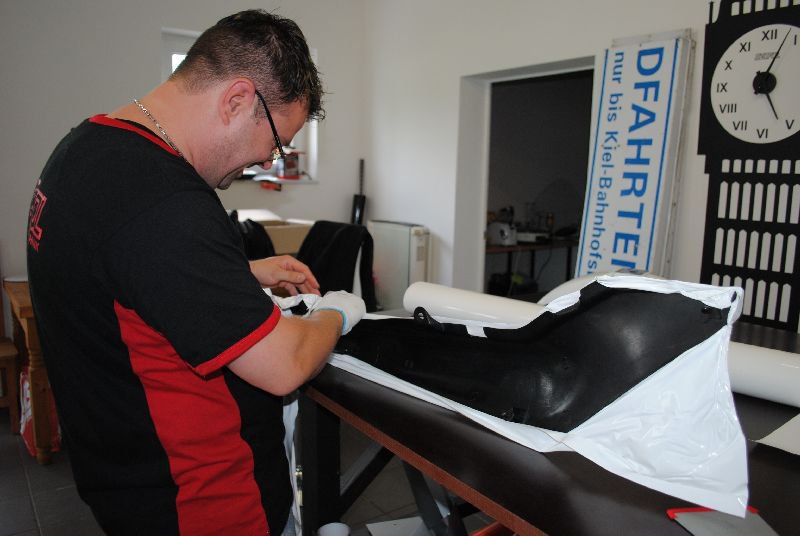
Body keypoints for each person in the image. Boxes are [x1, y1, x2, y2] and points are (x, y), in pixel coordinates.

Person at [26, 10, 365, 536]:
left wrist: (237, 272)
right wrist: (339, 311)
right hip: (203, 503)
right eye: (276, 142)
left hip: (125, 484)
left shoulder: (84, 150)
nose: (266, 161)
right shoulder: (166, 202)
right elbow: (285, 365)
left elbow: (117, 275)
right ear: (237, 100)